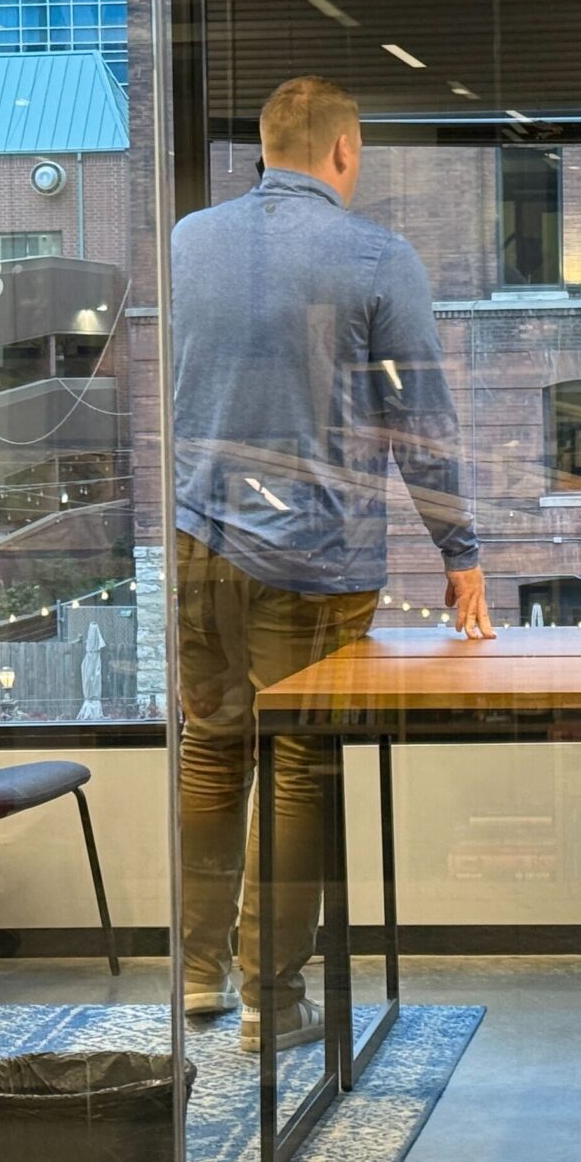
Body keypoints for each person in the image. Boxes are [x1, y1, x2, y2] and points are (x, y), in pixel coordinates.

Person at [170, 74, 492, 1053]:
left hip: (197, 540)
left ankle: (195, 976)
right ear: (343, 152)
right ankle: (274, 1005)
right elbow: (420, 424)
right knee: (298, 765)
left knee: (210, 747)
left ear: (266, 146)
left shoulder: (188, 242)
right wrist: (460, 552)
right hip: (310, 556)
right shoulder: (373, 257)